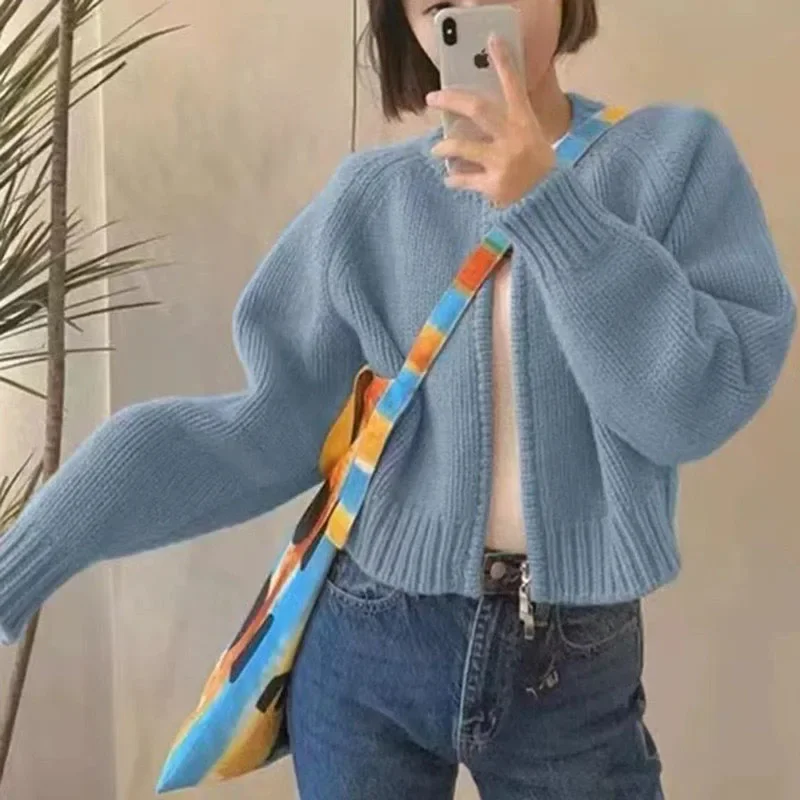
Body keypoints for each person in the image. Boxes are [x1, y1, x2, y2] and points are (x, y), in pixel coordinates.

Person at [1, 0, 796, 797]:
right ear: (409, 29)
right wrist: (29, 554)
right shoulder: (372, 202)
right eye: (440, 7)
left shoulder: (676, 162)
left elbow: (688, 408)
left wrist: (548, 203)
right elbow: (256, 431)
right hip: (369, 632)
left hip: (571, 659)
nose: (477, 13)